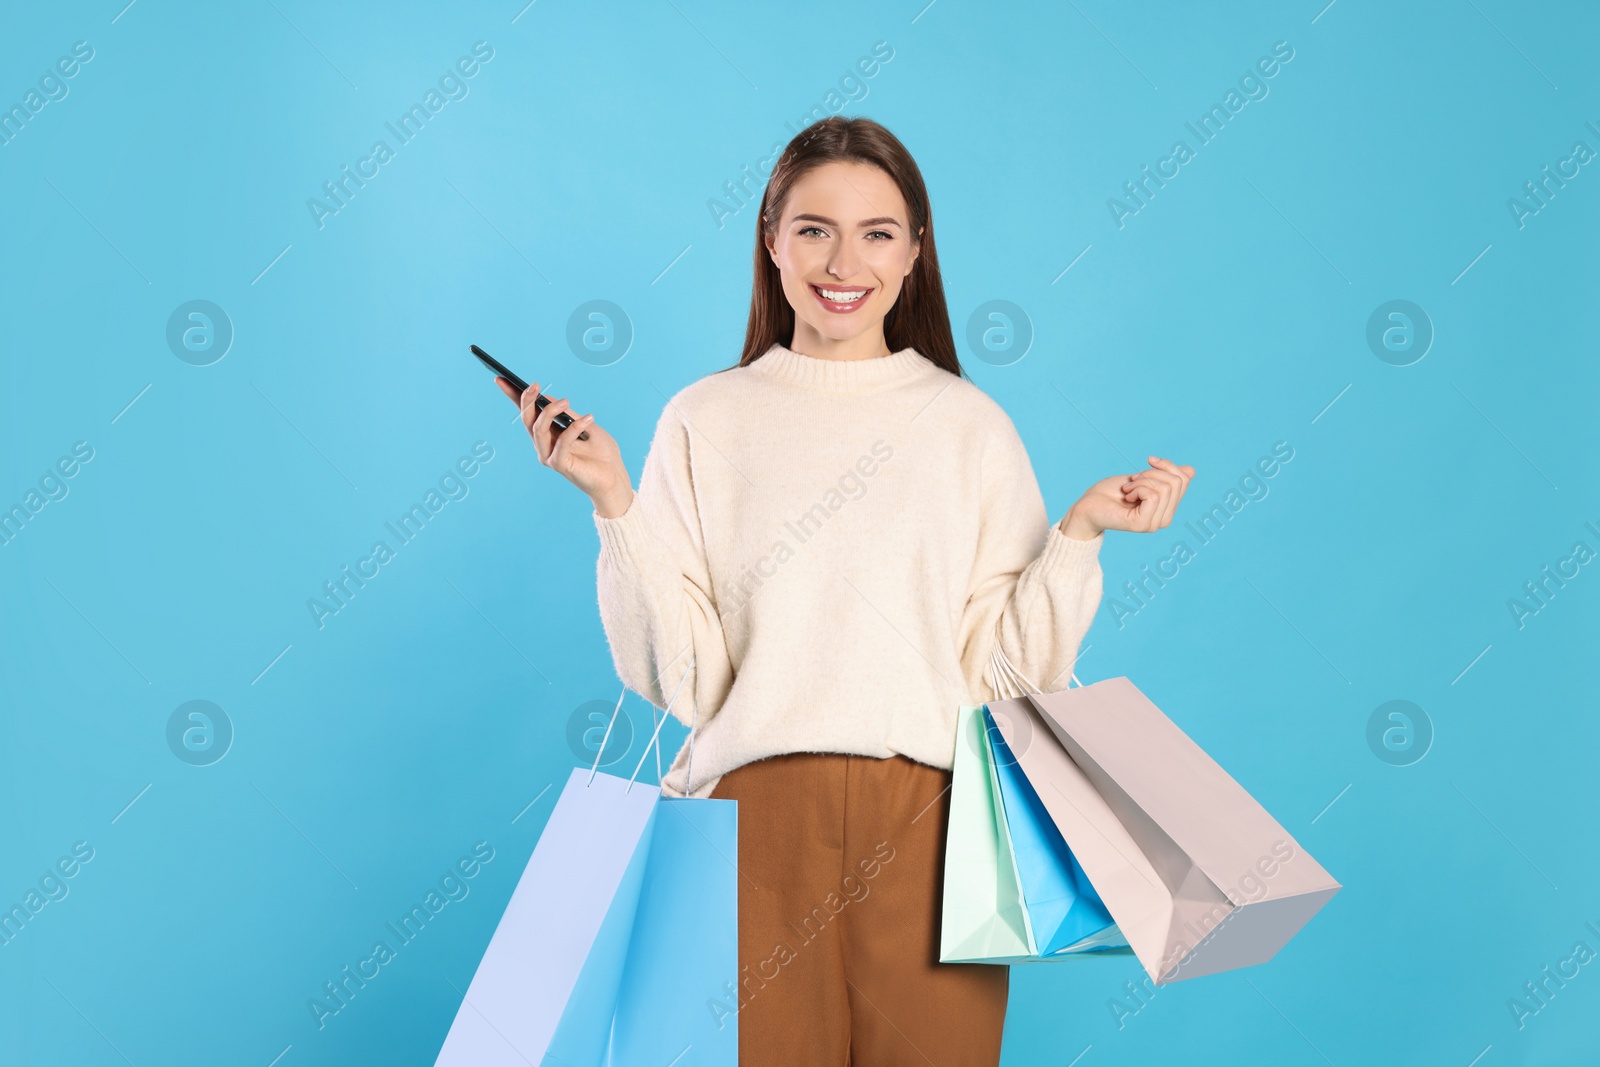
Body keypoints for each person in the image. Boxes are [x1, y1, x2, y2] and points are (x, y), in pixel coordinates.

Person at [498, 115, 1195, 1066]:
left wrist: (1078, 536)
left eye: (877, 232)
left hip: (932, 838)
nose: (844, 259)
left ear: (915, 253)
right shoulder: (705, 419)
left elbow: (1000, 678)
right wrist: (615, 503)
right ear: (771, 241)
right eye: (815, 227)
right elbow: (691, 683)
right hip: (746, 833)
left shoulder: (968, 426)